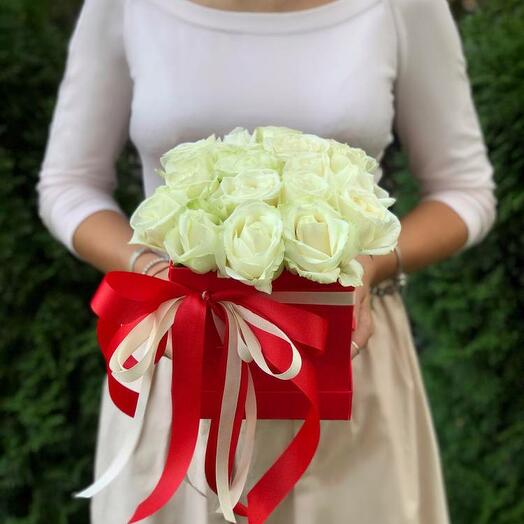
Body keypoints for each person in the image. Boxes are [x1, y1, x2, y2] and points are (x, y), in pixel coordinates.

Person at [37, 0, 496, 522]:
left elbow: (465, 190)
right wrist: (149, 268)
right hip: (179, 361)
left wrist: (372, 265)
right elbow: (69, 185)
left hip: (349, 357)